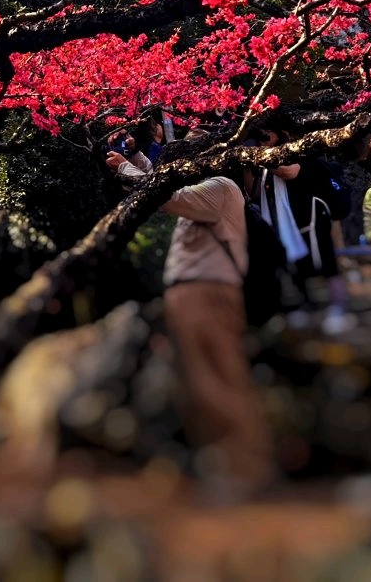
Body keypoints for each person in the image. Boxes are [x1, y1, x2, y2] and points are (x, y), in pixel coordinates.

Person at [107, 149, 273, 499]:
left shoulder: (220, 187)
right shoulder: (213, 190)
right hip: (195, 294)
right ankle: (225, 468)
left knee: (217, 378)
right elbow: (168, 184)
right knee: (201, 382)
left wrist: (125, 169)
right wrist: (138, 158)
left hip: (206, 294)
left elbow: (170, 195)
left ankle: (245, 468)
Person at [249, 131, 351, 332]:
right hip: (289, 221)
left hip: (312, 216)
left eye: (268, 134)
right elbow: (255, 191)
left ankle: (339, 308)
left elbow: (289, 172)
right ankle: (308, 308)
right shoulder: (267, 157)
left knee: (326, 262)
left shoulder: (299, 150)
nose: (264, 139)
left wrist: (258, 156)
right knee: (298, 265)